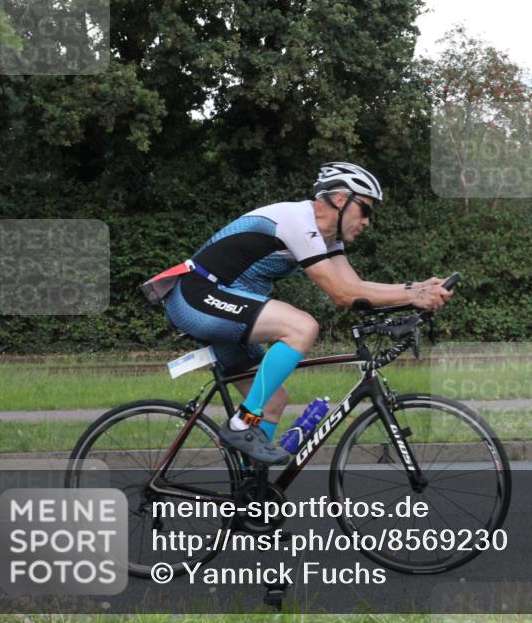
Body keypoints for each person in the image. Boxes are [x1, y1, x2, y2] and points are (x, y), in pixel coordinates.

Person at [159, 162, 452, 465]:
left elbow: (355, 286)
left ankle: (252, 497)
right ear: (341, 199)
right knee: (302, 327)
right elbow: (341, 295)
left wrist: (416, 288)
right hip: (195, 296)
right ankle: (243, 423)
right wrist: (414, 295)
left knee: (274, 401)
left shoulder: (328, 238)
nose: (367, 222)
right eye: (366, 210)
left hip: (224, 305)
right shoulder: (298, 220)